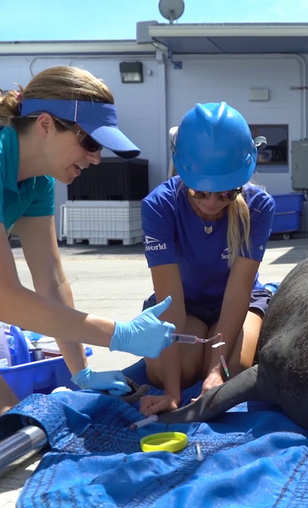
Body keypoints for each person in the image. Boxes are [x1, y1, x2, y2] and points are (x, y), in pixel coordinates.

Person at [0, 66, 176, 413]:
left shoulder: (37, 182)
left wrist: (81, 371)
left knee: (9, 424)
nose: (96, 158)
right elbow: (6, 299)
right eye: (90, 142)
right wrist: (117, 334)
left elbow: (51, 282)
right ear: (46, 125)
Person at [139, 102, 275, 416]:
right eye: (200, 192)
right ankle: (196, 353)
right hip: (182, 302)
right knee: (173, 370)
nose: (213, 203)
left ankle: (212, 357)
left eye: (227, 193)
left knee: (233, 372)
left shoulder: (258, 206)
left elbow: (239, 290)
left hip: (237, 300)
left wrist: (216, 369)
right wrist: (171, 392)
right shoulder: (159, 206)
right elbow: (169, 302)